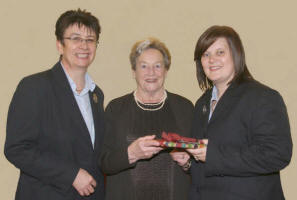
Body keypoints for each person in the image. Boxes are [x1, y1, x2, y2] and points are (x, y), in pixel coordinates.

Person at [5, 9, 105, 200]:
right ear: (60, 45)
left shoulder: (96, 94)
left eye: (90, 39)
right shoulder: (34, 87)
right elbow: (17, 149)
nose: (84, 46)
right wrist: (71, 174)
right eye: (75, 38)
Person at [183, 25, 292, 200]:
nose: (212, 60)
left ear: (236, 54)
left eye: (220, 52)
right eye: (206, 54)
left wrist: (212, 154)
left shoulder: (262, 97)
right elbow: (207, 164)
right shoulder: (201, 104)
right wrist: (188, 162)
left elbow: (277, 154)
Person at [100, 37, 194, 200]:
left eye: (157, 66)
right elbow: (103, 162)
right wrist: (131, 154)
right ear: (133, 71)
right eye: (143, 66)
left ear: (166, 70)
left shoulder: (185, 108)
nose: (151, 72)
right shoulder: (115, 109)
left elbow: (201, 163)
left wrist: (187, 162)